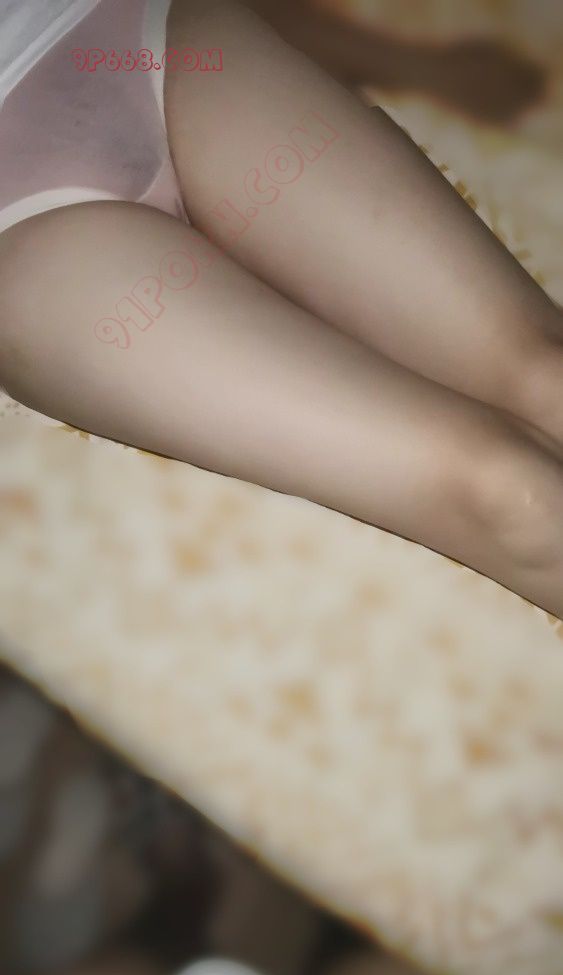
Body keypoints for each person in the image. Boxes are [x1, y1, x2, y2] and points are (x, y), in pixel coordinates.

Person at [0, 0, 562, 619]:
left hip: (123, 34)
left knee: (550, 378)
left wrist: (414, 64)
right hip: (22, 223)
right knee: (510, 494)